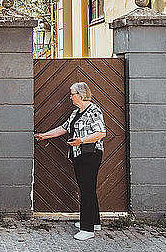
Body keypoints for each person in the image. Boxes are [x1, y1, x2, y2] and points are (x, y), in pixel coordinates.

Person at [34, 82, 106, 241]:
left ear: (81, 95)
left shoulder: (94, 111)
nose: (70, 97)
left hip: (90, 155)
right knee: (87, 187)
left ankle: (87, 229)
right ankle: (94, 222)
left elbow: (101, 133)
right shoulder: (76, 113)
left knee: (86, 190)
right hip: (78, 154)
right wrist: (44, 135)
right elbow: (64, 128)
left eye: (72, 94)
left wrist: (81, 140)